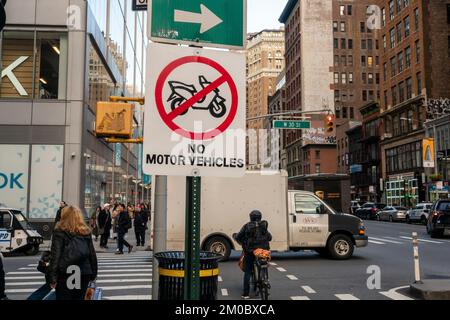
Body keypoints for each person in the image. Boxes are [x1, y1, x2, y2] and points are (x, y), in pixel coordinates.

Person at [48, 206, 98, 300]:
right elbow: (92, 254)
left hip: (66, 272)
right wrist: (93, 273)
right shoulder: (85, 232)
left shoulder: (59, 232)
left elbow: (56, 256)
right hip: (83, 272)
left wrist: (53, 278)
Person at [235, 210, 272, 300]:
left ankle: (246, 294)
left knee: (247, 271)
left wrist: (237, 238)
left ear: (250, 217)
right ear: (260, 217)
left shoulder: (247, 226)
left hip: (250, 251)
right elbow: (270, 237)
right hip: (263, 251)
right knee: (264, 264)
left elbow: (239, 236)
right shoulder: (263, 226)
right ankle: (265, 279)